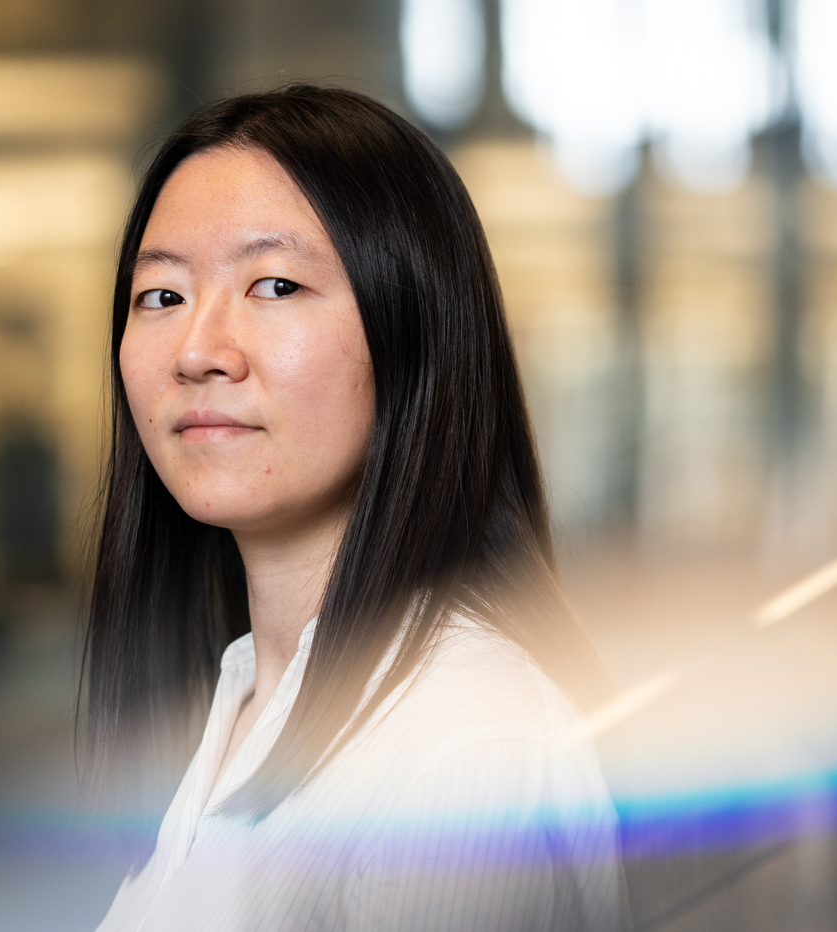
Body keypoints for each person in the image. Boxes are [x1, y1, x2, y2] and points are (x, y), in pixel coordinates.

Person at [84, 85, 626, 931]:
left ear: (413, 331)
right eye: (162, 296)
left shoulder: (461, 733)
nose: (197, 350)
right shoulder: (244, 692)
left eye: (273, 284)